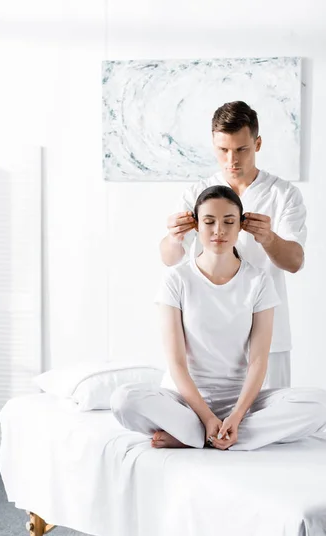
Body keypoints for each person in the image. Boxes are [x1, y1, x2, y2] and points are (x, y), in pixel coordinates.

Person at [110, 186, 326, 451]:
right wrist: (207, 416)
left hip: (241, 402)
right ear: (196, 226)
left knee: (320, 404)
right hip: (184, 401)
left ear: (240, 227)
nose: (219, 231)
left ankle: (200, 436)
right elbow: (177, 363)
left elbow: (258, 361)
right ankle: (211, 432)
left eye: (229, 222)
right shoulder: (176, 279)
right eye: (209, 222)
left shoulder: (259, 281)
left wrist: (236, 415)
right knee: (124, 399)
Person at [159, 101, 306, 389]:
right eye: (223, 150)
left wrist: (268, 238)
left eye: (241, 149)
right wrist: (174, 236)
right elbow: (169, 259)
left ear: (258, 143)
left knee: (269, 423)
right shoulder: (196, 194)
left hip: (267, 335)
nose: (231, 160)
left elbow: (295, 262)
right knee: (203, 419)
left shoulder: (283, 194)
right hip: (206, 339)